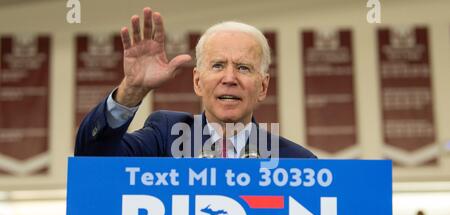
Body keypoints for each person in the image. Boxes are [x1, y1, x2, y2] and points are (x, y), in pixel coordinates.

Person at [75, 7, 316, 159]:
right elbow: (92, 158)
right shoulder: (164, 137)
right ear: (198, 82)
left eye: (243, 68)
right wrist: (131, 91)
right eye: (218, 65)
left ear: (262, 87)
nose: (229, 78)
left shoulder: (296, 162)